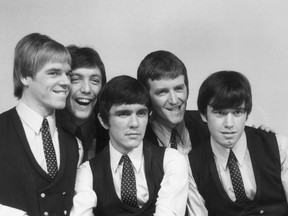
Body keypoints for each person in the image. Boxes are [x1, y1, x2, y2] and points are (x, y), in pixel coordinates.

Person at [70, 75, 188, 216]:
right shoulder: (87, 172)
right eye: (123, 114)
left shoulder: (171, 160)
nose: (134, 123)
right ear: (103, 120)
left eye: (141, 113)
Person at [0, 33, 81, 216]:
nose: (66, 82)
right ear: (24, 76)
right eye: (54, 73)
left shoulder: (75, 144)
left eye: (68, 74)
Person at [189, 71, 288, 215]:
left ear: (247, 114)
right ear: (204, 115)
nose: (229, 124)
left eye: (237, 113)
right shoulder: (191, 164)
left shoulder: (279, 146)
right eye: (220, 113)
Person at [137, 50, 209, 215]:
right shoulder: (136, 141)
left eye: (178, 88)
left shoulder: (207, 125)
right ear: (146, 97)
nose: (175, 100)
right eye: (162, 92)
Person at [56, 45, 108, 162]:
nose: (86, 89)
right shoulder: (46, 133)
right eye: (75, 79)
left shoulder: (109, 133)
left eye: (94, 81)